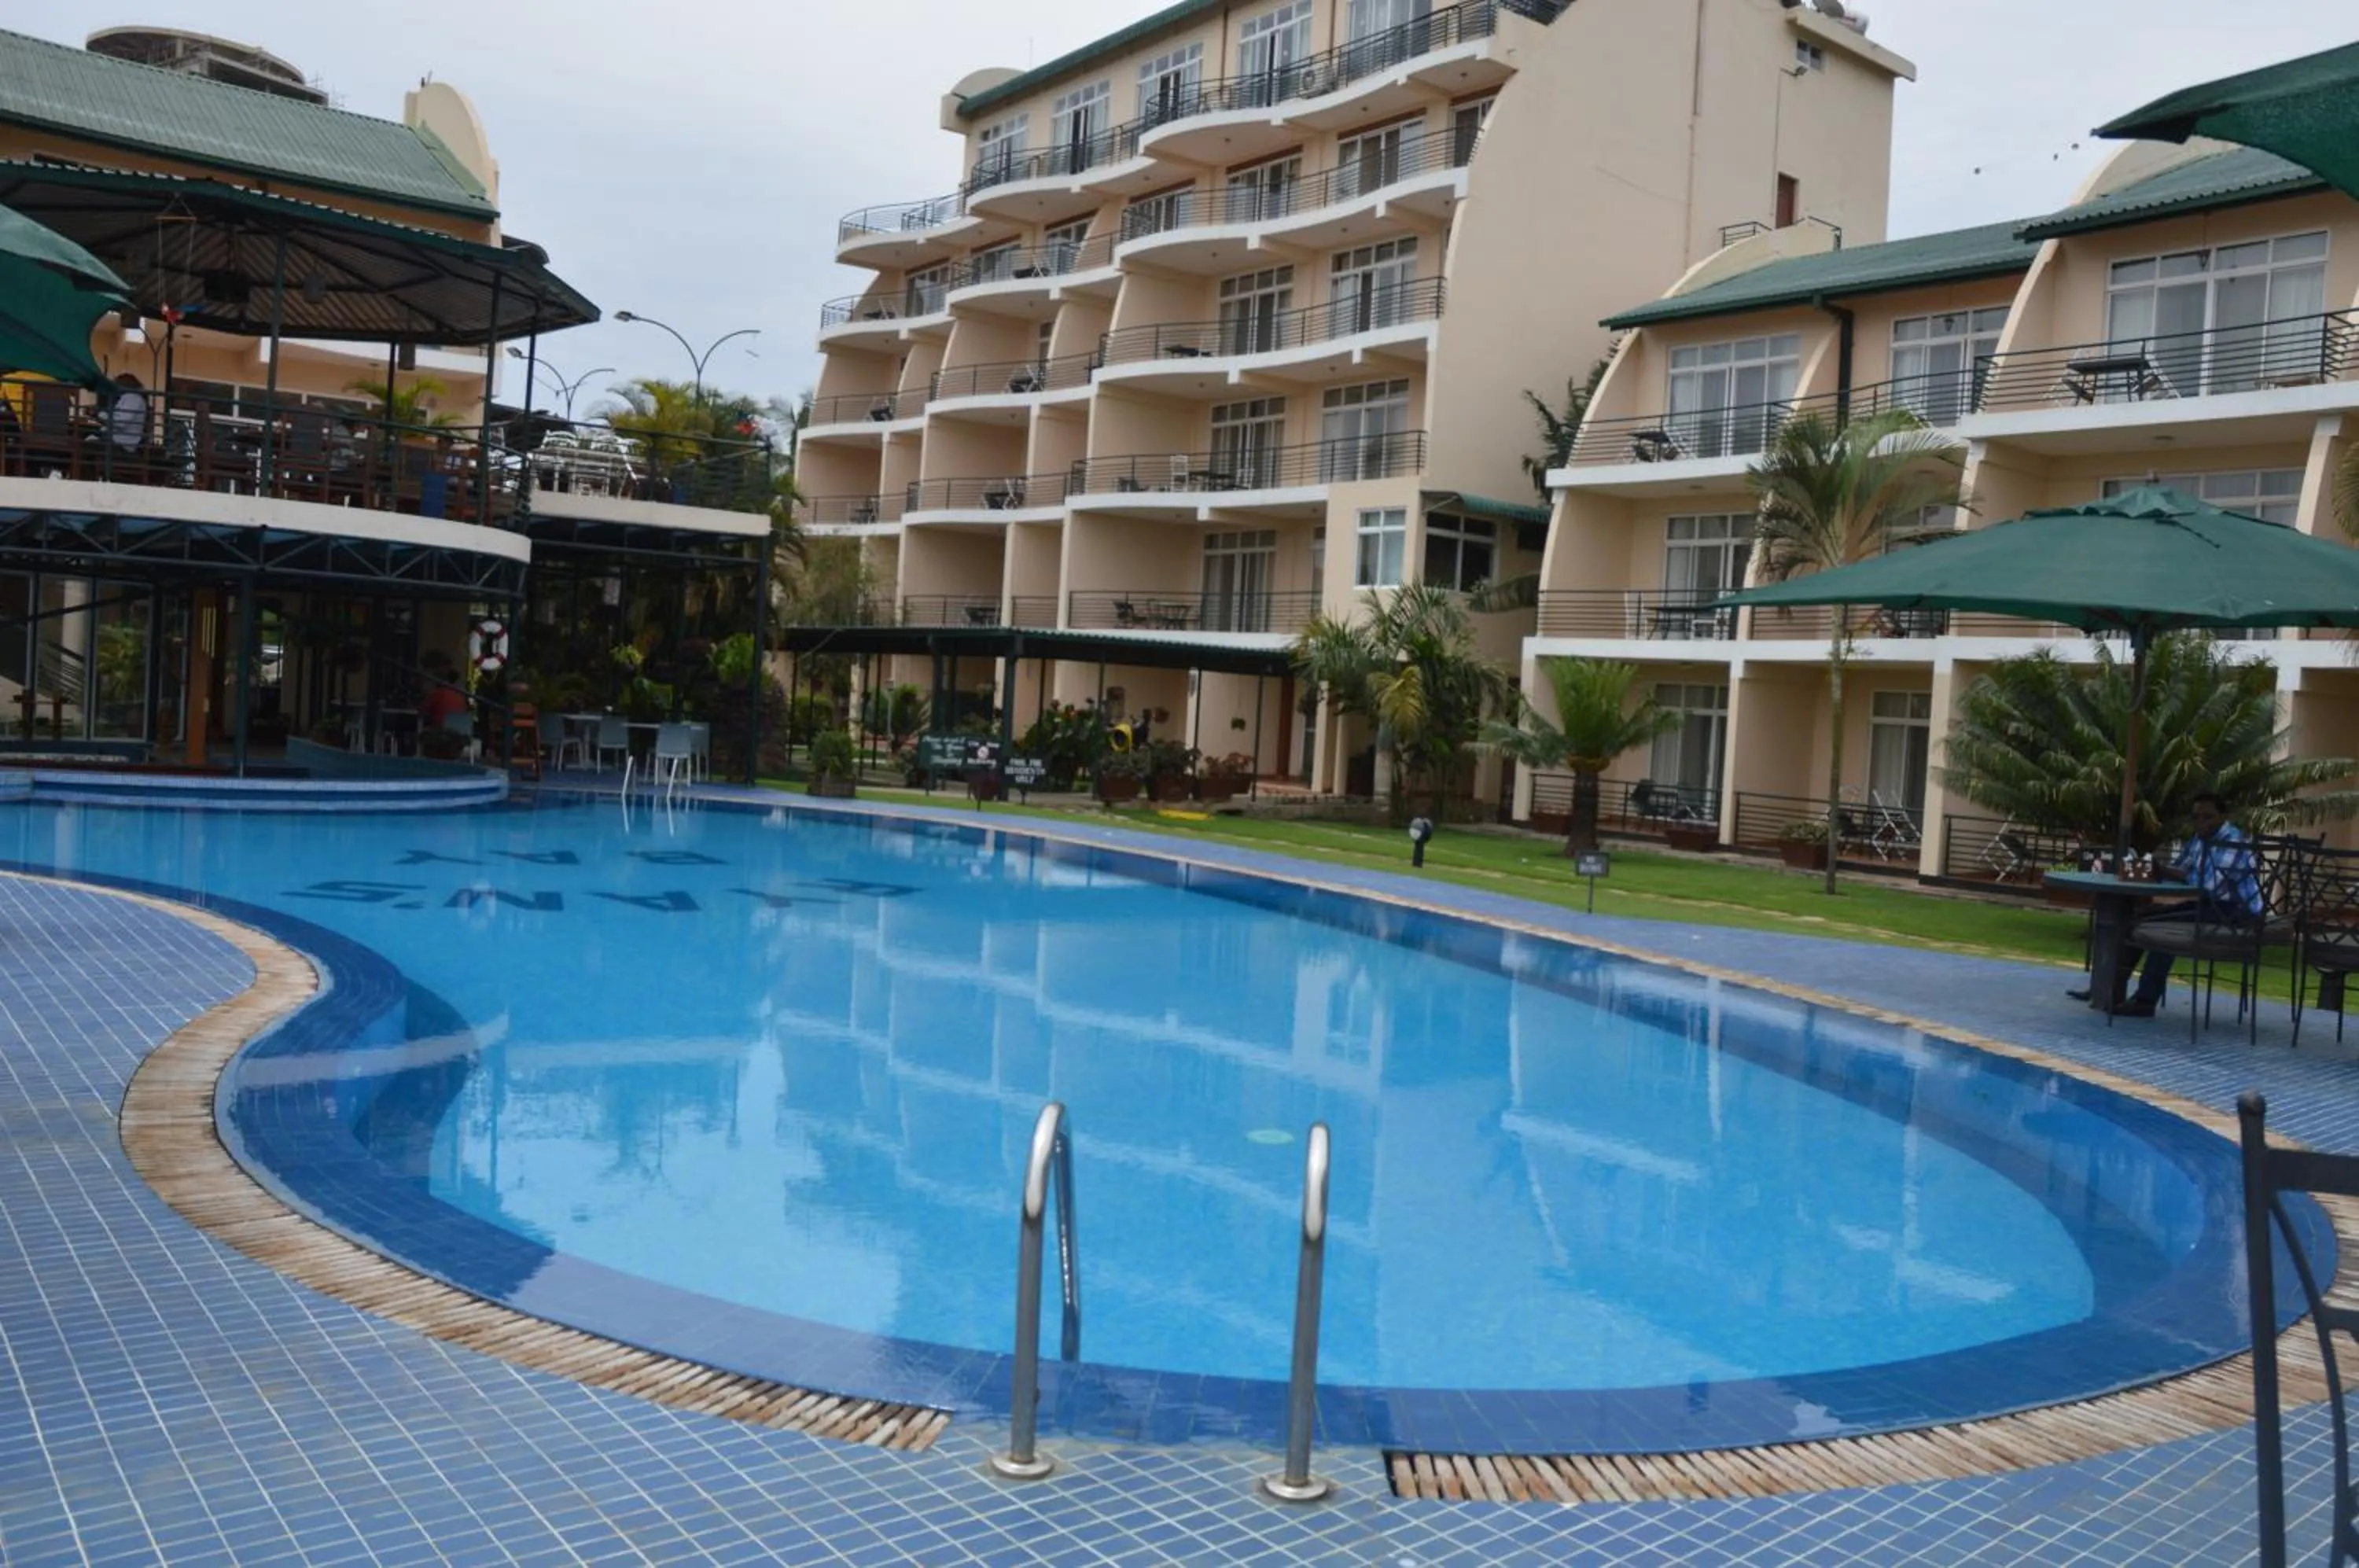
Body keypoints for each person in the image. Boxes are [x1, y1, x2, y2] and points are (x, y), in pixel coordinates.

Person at [2071, 791, 2263, 1015]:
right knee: (2137, 917)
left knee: (2165, 930)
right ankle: (2105, 988)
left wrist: (2167, 871)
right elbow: (2181, 867)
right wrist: (2156, 870)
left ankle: (2145, 1001)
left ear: (2223, 816)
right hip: (2210, 907)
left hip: (2237, 914)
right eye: (2196, 817)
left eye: (2208, 817)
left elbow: (2209, 885)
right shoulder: (2199, 840)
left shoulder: (2233, 841)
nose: (2201, 823)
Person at [418, 654, 469, 731]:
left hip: (444, 734)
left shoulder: (438, 694)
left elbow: (421, 712)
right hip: (460, 733)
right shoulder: (460, 694)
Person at [107, 373, 148, 452]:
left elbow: (121, 423)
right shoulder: (131, 398)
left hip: (122, 442)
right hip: (123, 440)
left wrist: (102, 415)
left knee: (87, 444)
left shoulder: (132, 398)